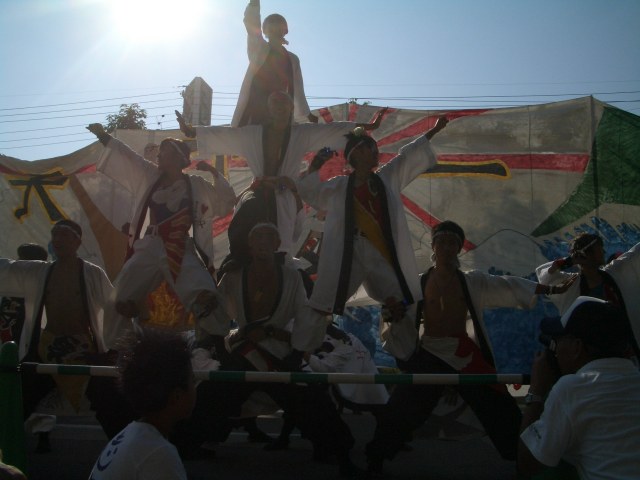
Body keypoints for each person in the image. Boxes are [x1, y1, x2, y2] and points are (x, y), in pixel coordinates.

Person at [365, 220, 576, 474]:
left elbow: (507, 284)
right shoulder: (416, 284)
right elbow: (393, 311)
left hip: (462, 352)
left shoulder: (472, 281)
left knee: (500, 405)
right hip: (429, 352)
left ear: (458, 248)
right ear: (433, 246)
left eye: (452, 243)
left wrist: (551, 288)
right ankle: (376, 455)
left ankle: (524, 458)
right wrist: (391, 313)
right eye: (442, 242)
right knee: (402, 407)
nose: (446, 247)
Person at [176, 223, 361, 477]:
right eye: (257, 237)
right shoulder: (233, 275)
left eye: (269, 238)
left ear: (277, 244)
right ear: (250, 244)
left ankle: (339, 452)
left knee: (312, 401)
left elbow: (304, 314)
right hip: (244, 352)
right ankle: (184, 446)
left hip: (279, 354)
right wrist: (223, 352)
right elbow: (217, 314)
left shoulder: (292, 277)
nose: (263, 242)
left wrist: (297, 352)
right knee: (211, 396)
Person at [177, 92, 386, 267]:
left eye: (284, 103)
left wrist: (367, 127)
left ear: (290, 108)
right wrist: (192, 131)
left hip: (284, 196)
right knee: (244, 246)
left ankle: (282, 284)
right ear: (269, 108)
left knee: (281, 250)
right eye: (275, 103)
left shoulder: (300, 133)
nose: (279, 107)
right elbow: (224, 135)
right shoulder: (252, 134)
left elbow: (332, 130)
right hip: (256, 194)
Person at [296, 116, 448, 333]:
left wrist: (434, 131)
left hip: (380, 253)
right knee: (323, 305)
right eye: (370, 148)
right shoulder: (339, 186)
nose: (376, 153)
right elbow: (311, 192)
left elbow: (406, 157)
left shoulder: (385, 178)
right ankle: (302, 348)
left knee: (402, 303)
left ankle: (403, 349)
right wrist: (317, 163)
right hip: (348, 254)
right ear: (356, 153)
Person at [87, 124, 236, 332]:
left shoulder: (194, 184)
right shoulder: (151, 176)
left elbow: (226, 202)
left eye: (163, 152)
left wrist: (212, 171)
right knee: (120, 297)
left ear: (178, 158)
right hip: (150, 245)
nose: (158, 156)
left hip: (179, 247)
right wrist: (103, 136)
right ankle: (118, 344)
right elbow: (129, 158)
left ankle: (215, 342)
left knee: (205, 295)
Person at [0, 219, 135, 441]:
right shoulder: (40, 271)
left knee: (109, 400)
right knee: (16, 397)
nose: (57, 239)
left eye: (63, 234)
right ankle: (5, 448)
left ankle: (124, 447)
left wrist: (126, 308)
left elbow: (112, 306)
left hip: (82, 350)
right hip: (47, 350)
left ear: (77, 241)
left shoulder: (92, 273)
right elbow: (8, 268)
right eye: (54, 234)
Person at [518, 296, 640, 479]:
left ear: (577, 347)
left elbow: (527, 465)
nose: (556, 351)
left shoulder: (571, 388)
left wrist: (537, 391)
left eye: (558, 340)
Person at [89, 331, 196, 480]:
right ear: (176, 396)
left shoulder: (132, 434)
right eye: (193, 381)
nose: (195, 388)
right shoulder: (158, 453)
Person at [536, 233, 640, 359]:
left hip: (621, 349)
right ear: (587, 253)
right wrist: (568, 261)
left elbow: (635, 254)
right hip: (588, 354)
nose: (604, 251)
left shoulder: (613, 273)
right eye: (600, 248)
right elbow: (546, 278)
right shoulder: (571, 285)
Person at [232, 0, 316, 127]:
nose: (275, 31)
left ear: (285, 31)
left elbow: (298, 90)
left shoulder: (293, 59)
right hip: (254, 111)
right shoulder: (259, 48)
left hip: (279, 111)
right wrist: (254, 3)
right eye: (271, 28)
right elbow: (251, 22)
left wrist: (307, 115)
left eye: (279, 28)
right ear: (265, 31)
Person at [0, 243, 48, 345]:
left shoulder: (41, 290)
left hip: (25, 343)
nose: (17, 262)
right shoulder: (7, 284)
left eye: (21, 260)